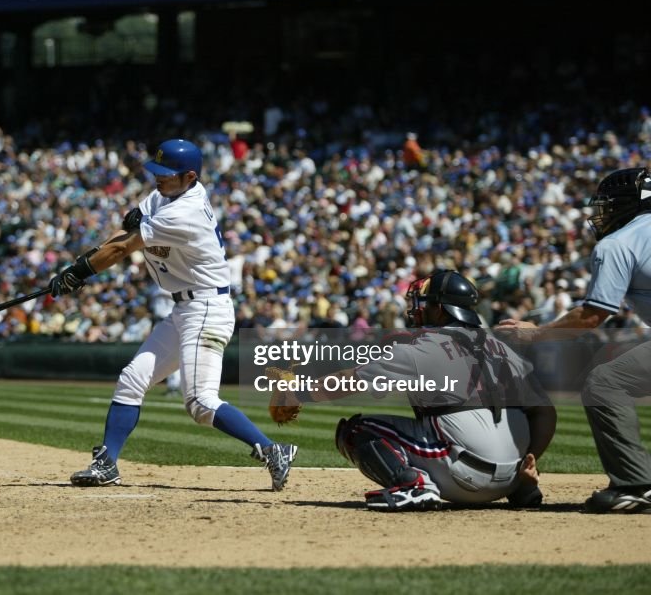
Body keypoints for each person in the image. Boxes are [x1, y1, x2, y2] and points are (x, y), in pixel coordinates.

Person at [51, 139, 297, 490]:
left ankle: (274, 450)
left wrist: (80, 271)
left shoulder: (186, 212)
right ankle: (107, 463)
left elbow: (124, 246)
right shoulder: (164, 195)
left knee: (199, 402)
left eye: (167, 175)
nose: (159, 179)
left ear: (190, 176)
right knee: (132, 379)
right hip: (184, 307)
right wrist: (82, 263)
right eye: (158, 172)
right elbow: (123, 232)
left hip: (207, 309)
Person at [273, 270, 555, 511]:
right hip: (516, 478)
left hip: (464, 477)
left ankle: (414, 486)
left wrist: (297, 393)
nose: (418, 308)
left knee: (357, 429)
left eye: (426, 303)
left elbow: (350, 381)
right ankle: (522, 490)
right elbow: (545, 413)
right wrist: (530, 460)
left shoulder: (425, 347)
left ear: (441, 309)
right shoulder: (502, 348)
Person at [497, 167, 651, 513]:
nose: (603, 213)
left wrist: (533, 333)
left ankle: (636, 485)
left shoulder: (618, 242)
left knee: (605, 383)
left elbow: (592, 315)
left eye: (609, 205)